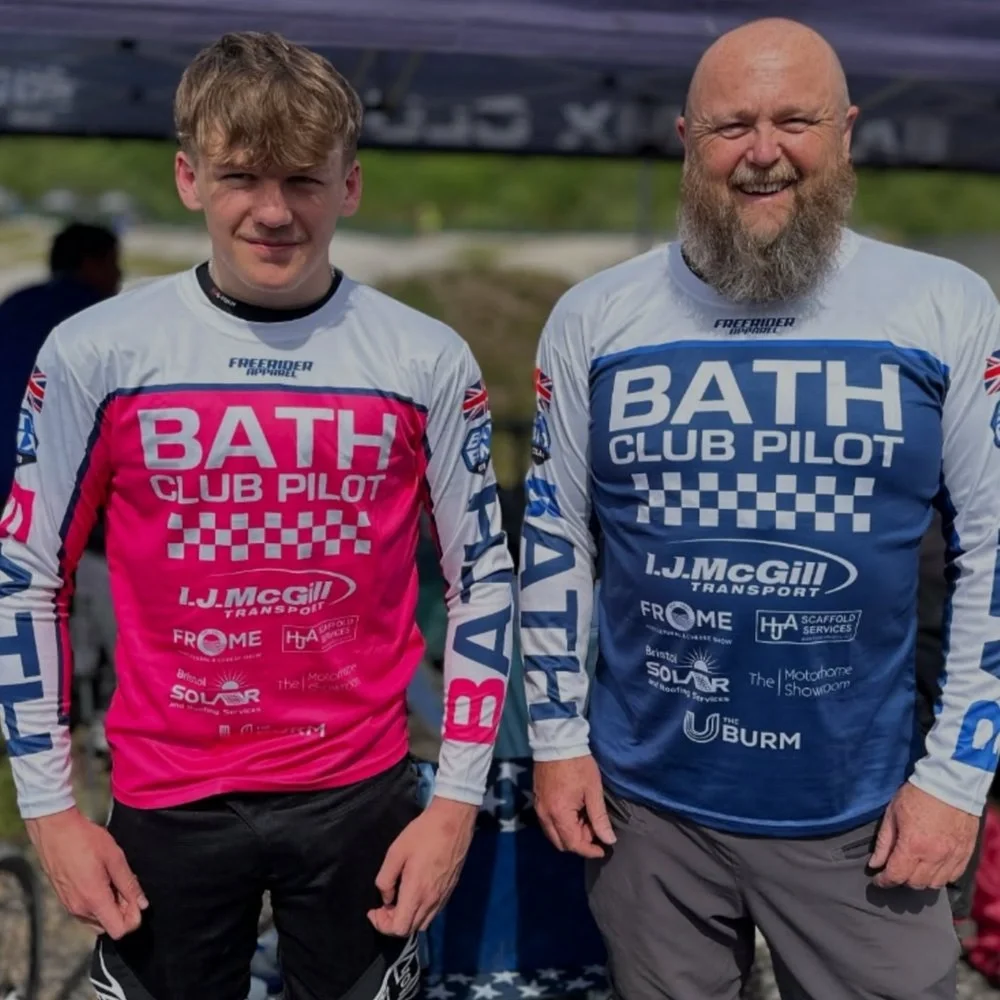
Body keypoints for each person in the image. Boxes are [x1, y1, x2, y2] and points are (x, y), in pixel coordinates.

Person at [0, 31, 514, 1000]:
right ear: (189, 177)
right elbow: (25, 576)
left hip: (362, 796)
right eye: (242, 176)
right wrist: (51, 811)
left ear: (350, 185)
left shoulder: (423, 357)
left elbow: (483, 576)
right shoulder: (97, 350)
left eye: (302, 180)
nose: (273, 211)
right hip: (166, 800)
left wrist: (453, 803)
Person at [517, 16, 1000, 1000]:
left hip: (860, 813)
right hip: (643, 808)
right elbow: (557, 541)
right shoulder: (595, 316)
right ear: (686, 137)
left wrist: (956, 777)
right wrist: (557, 739)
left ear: (847, 131)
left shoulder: (942, 305)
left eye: (796, 120)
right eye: (733, 124)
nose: (764, 151)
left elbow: (994, 549)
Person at [0, 221, 121, 501]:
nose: (118, 274)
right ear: (91, 264)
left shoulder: (17, 303)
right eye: (113, 263)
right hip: (45, 486)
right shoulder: (102, 315)